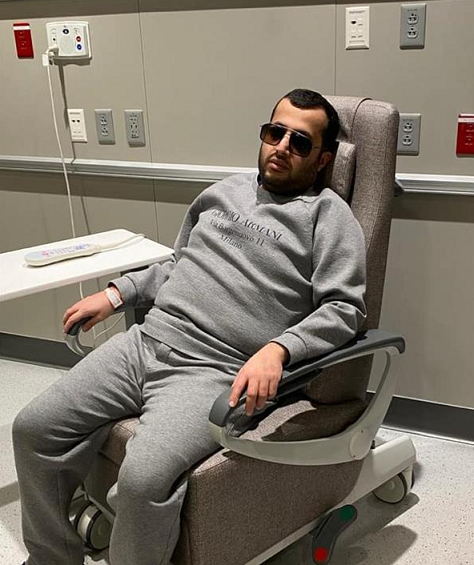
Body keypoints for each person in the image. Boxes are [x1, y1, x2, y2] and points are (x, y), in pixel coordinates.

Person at [12, 88, 367, 565]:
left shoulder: (329, 216)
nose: (282, 147)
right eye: (274, 132)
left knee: (142, 479)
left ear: (322, 159)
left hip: (216, 371)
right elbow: (179, 265)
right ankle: (51, 558)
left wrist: (279, 349)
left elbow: (345, 308)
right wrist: (117, 294)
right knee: (33, 430)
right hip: (144, 343)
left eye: (300, 142)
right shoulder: (221, 193)